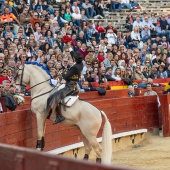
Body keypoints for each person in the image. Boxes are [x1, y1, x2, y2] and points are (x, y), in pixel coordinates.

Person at [47, 51, 83, 124]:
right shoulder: (80, 64)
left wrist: (61, 73)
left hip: (69, 86)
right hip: (73, 84)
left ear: (74, 59)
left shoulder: (75, 67)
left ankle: (58, 115)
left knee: (55, 96)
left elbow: (66, 77)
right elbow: (73, 53)